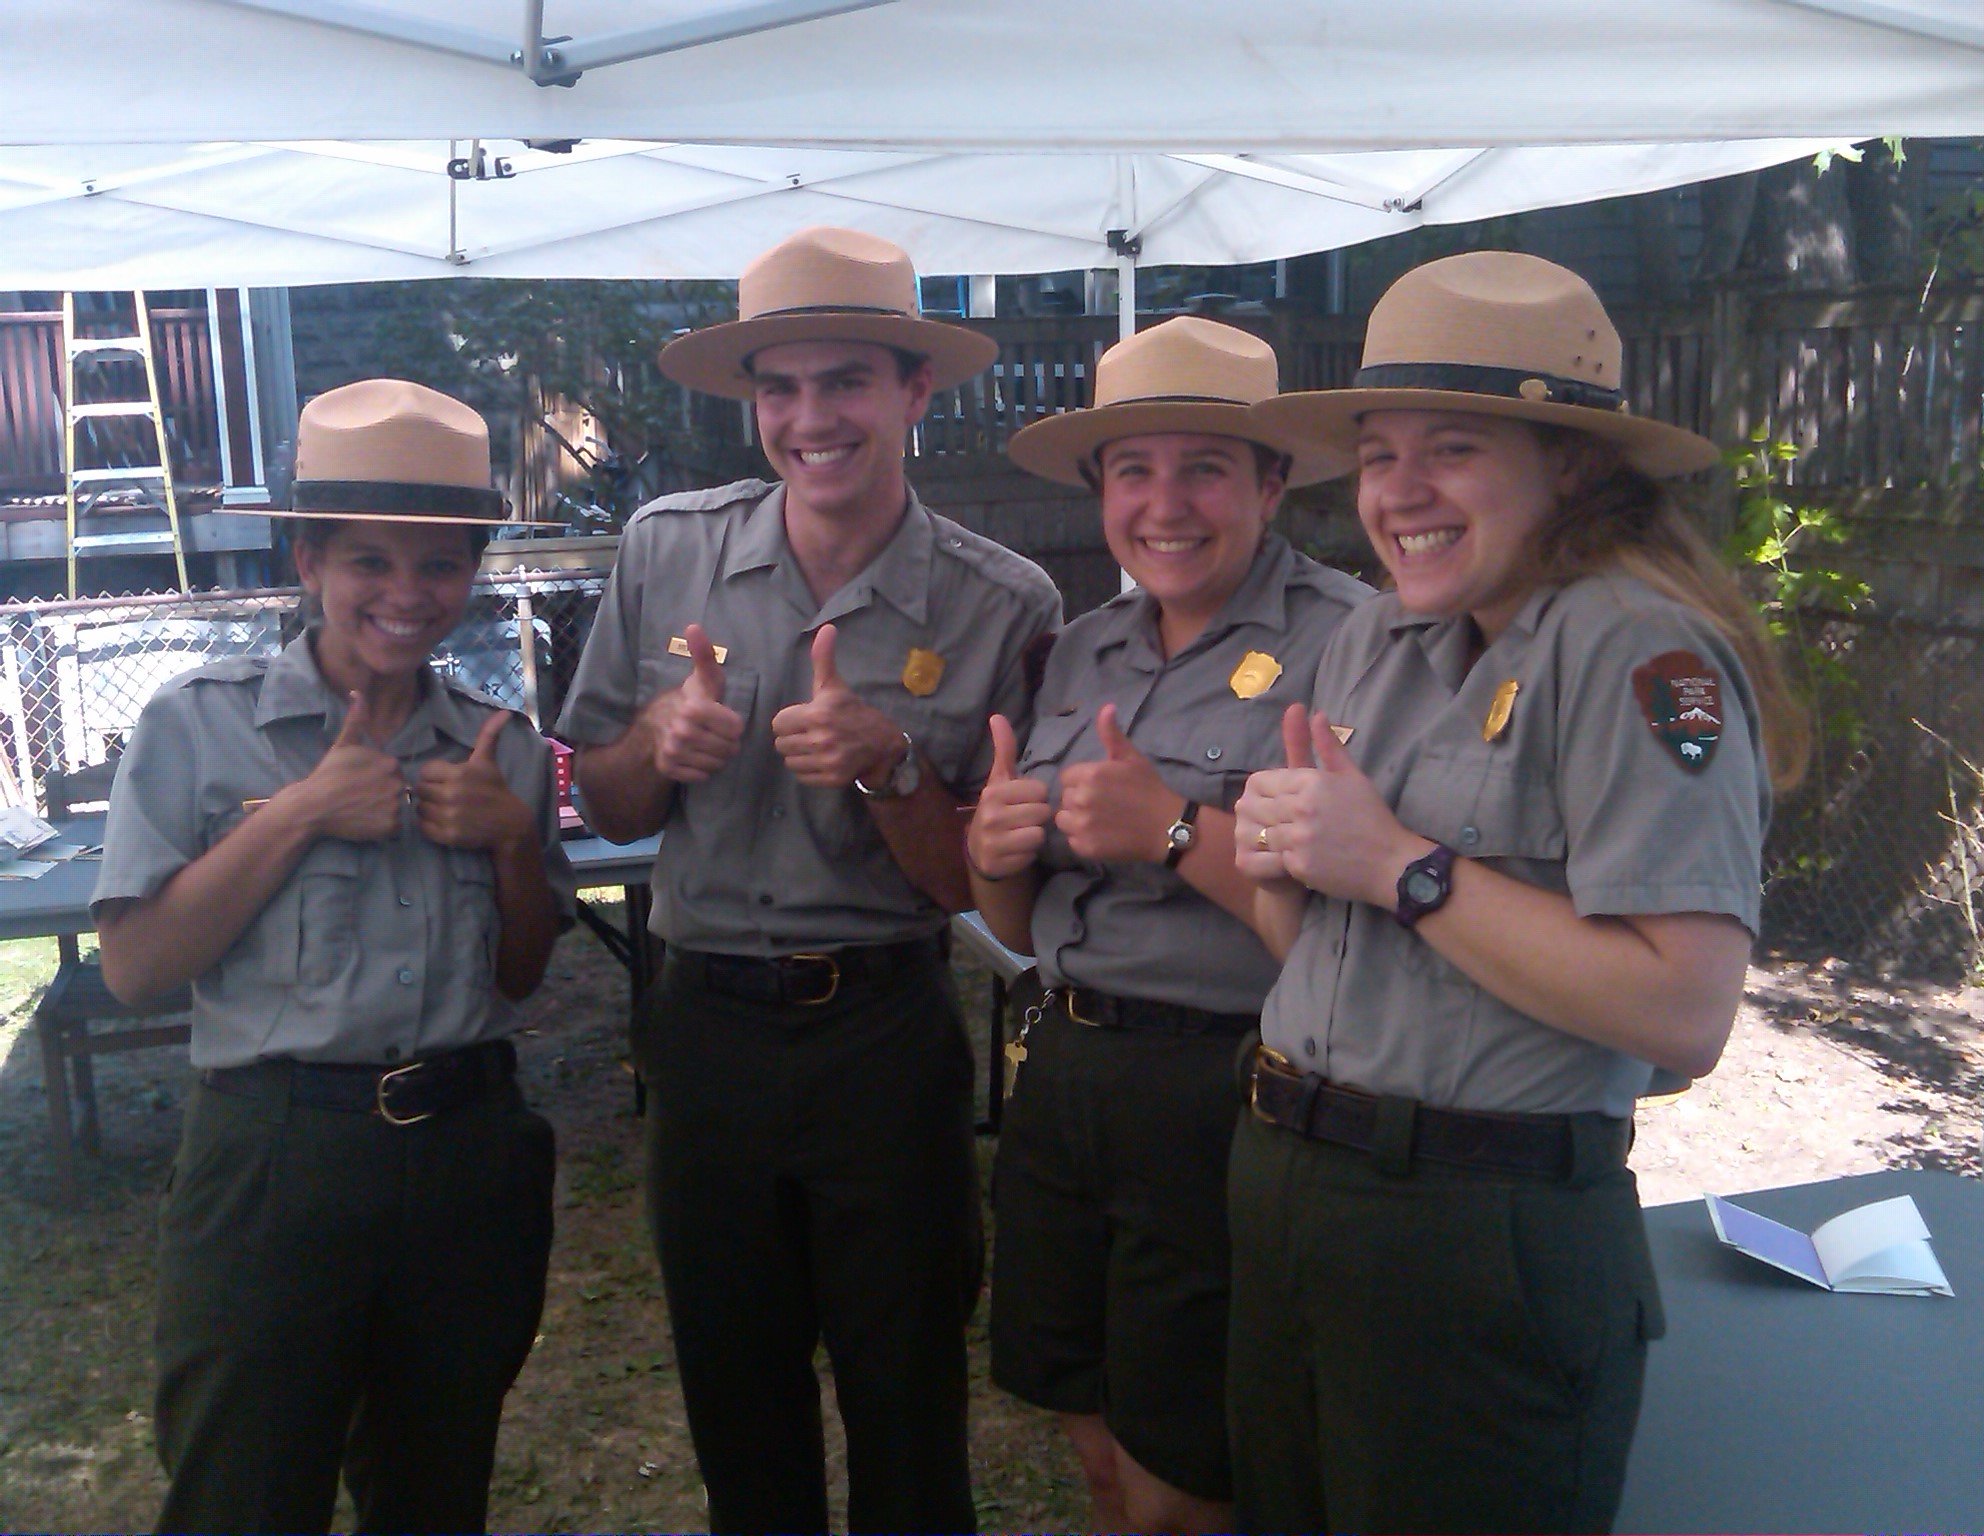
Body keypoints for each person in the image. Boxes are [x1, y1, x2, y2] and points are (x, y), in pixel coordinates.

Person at [1229, 251, 1809, 1534]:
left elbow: (1683, 1012)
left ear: (1570, 468)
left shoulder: (1644, 652)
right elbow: (1309, 949)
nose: (1399, 492)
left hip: (1474, 1230)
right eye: (1378, 454)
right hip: (1290, 1182)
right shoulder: (1374, 636)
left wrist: (1397, 865)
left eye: (1452, 448)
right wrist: (1281, 858)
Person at [554, 225, 1062, 1535]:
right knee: (738, 1395)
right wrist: (653, 747)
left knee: (906, 1395)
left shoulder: (1003, 604)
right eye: (778, 388)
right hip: (703, 1021)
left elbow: (980, 887)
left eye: (844, 382)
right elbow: (601, 803)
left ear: (913, 393)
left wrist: (895, 769)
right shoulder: (667, 549)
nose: (808, 418)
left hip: (884, 1030)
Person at [92, 378, 576, 1535]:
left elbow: (519, 975)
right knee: (245, 1491)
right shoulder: (197, 724)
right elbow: (136, 967)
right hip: (276, 1157)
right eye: (370, 560)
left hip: (465, 1154)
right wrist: (298, 813)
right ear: (307, 560)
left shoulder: (495, 747)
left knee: (434, 1484)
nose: (407, 596)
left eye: (440, 564)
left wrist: (513, 847)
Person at [969, 315, 1365, 1533]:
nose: (1164, 503)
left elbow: (1353, 949)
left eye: (1204, 467)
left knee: (1186, 1478)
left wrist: (1176, 831)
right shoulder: (1080, 648)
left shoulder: (1355, 644)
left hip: (1226, 1086)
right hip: (1065, 1072)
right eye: (1131, 470)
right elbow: (1025, 920)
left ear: (1272, 480)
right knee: (1092, 1440)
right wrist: (989, 859)